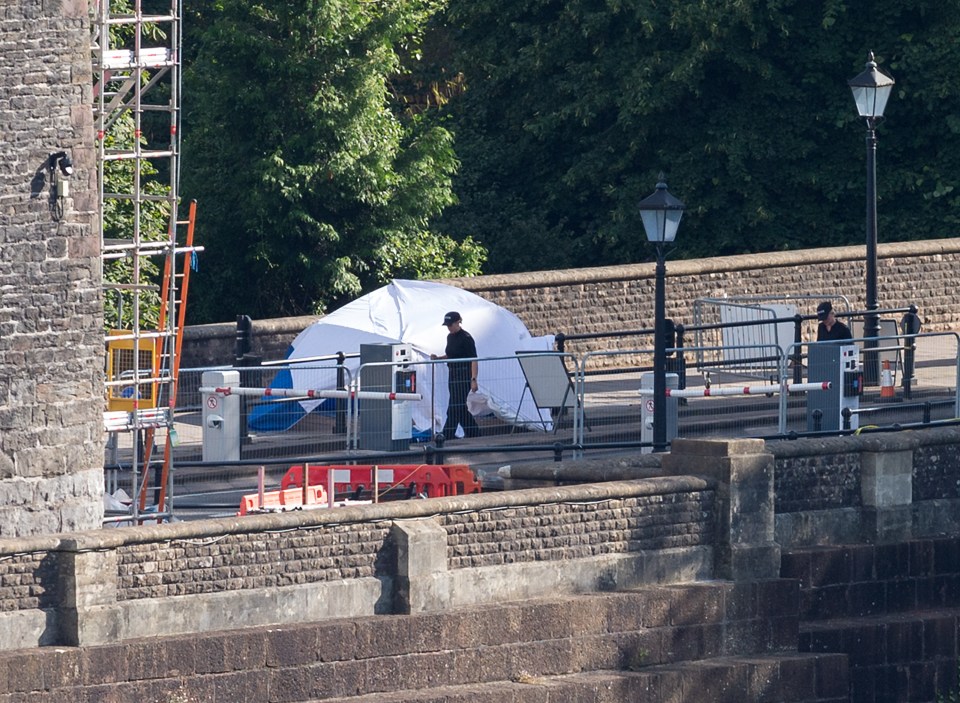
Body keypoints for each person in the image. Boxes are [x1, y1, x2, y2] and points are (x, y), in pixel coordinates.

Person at [430, 311, 481, 440]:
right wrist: (439, 358)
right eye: (447, 326)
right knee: (459, 406)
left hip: (464, 374)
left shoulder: (466, 338)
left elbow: (473, 359)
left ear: (458, 323)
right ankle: (474, 433)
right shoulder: (450, 337)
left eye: (450, 325)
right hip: (453, 374)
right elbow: (452, 354)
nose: (449, 328)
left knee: (454, 406)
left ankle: (447, 435)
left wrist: (473, 379)